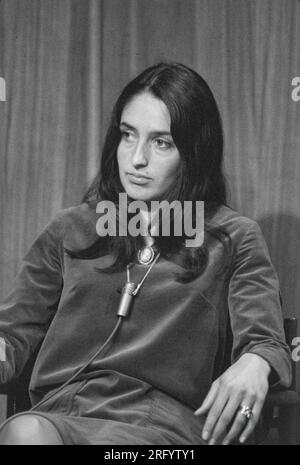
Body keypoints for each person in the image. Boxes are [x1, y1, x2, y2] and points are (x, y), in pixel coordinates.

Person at [0, 62, 291, 445]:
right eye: (127, 135)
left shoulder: (234, 237)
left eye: (161, 142)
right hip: (62, 417)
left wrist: (257, 363)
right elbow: (13, 335)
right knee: (26, 431)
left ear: (194, 150)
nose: (137, 159)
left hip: (161, 432)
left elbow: (267, 343)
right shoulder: (72, 229)